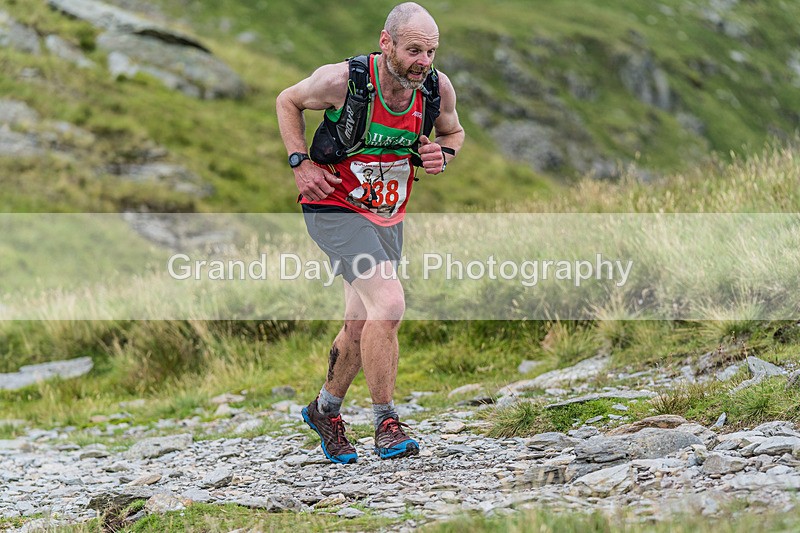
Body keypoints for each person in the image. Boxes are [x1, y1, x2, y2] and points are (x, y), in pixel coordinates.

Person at [276, 2, 464, 463]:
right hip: (333, 206)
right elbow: (287, 100)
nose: (423, 61)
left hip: (386, 212)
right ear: (387, 43)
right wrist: (300, 165)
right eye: (414, 50)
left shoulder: (436, 89)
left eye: (431, 52)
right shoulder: (343, 81)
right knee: (390, 302)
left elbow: (453, 133)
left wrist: (442, 155)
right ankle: (386, 421)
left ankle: (325, 411)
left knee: (361, 322)